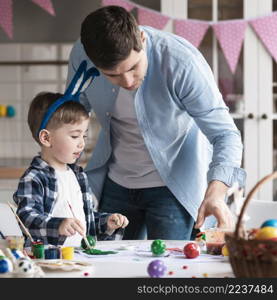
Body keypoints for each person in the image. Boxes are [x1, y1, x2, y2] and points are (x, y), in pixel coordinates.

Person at [66, 5, 246, 240]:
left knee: (167, 267)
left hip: (173, 187)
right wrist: (58, 175)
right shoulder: (82, 55)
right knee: (109, 265)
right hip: (115, 181)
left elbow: (225, 135)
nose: (128, 81)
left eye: (133, 67)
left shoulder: (181, 62)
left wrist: (216, 193)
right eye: (113, 75)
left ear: (141, 38)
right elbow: (70, 118)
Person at [13, 89, 129, 247]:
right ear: (46, 138)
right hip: (49, 262)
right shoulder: (34, 178)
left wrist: (106, 222)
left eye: (84, 136)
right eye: (75, 136)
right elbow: (27, 217)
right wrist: (59, 226)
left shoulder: (78, 175)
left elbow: (82, 220)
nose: (82, 143)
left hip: (80, 258)